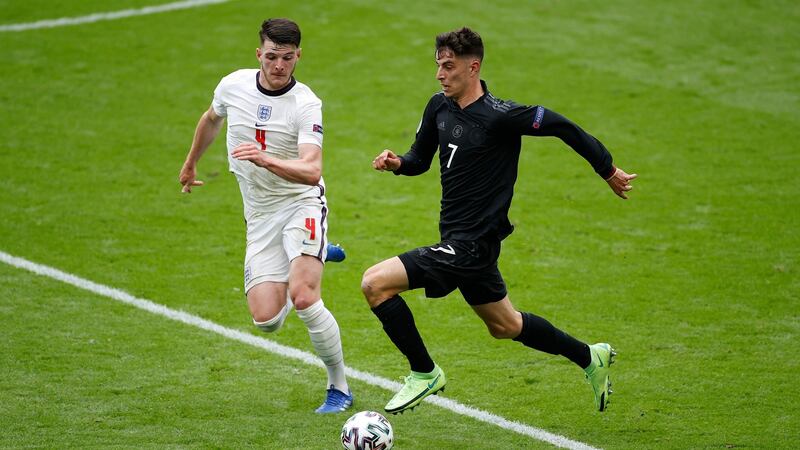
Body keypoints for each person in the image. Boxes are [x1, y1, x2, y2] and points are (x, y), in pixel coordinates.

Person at [363, 27, 636, 414]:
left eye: (449, 66)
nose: (440, 74)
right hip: (459, 238)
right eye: (438, 66)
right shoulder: (438, 107)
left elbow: (562, 126)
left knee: (375, 284)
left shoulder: (501, 117)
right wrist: (398, 164)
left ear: (473, 67)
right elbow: (419, 160)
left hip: (471, 246)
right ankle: (590, 357)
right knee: (505, 326)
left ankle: (424, 373)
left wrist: (606, 169)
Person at [179, 18, 353, 413]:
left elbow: (311, 170)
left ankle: (339, 387)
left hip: (300, 202)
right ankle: (320, 251)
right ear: (259, 53)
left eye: (287, 58)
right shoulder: (233, 85)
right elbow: (211, 118)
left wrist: (265, 158)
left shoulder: (306, 104)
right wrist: (191, 164)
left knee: (305, 298)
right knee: (266, 320)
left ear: (298, 57)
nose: (279, 66)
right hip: (259, 214)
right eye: (272, 57)